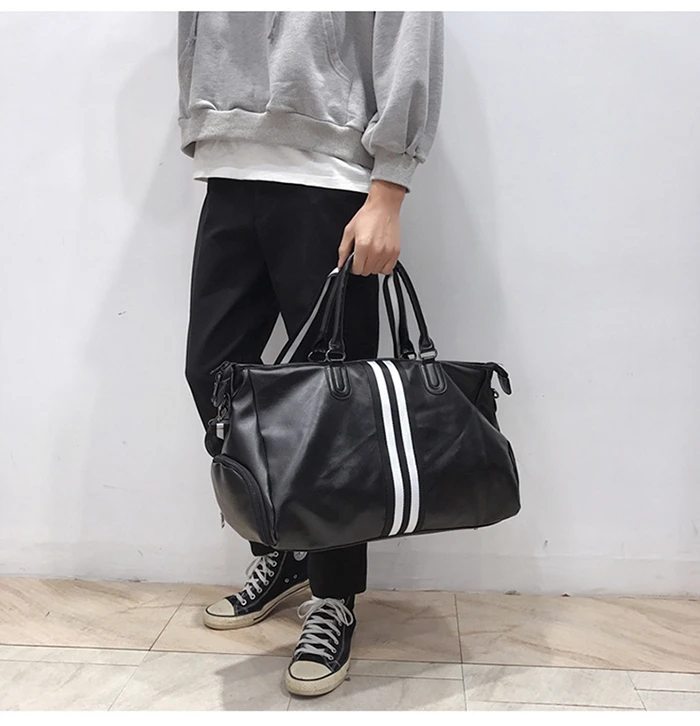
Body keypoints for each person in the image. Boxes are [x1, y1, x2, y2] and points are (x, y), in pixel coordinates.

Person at [178, 11, 443, 697]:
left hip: (330, 177)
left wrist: (389, 188)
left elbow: (409, 30)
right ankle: (284, 550)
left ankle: (334, 595)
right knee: (213, 376)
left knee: (336, 407)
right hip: (229, 163)